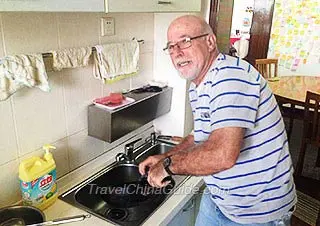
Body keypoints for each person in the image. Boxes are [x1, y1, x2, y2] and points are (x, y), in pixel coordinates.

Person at [139, 15, 296, 225]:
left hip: (258, 213)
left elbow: (223, 155)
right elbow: (200, 136)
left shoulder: (231, 77)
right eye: (171, 46)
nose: (176, 52)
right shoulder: (199, 85)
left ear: (210, 42)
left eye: (185, 41)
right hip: (220, 201)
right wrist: (164, 156)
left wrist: (167, 166)